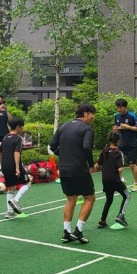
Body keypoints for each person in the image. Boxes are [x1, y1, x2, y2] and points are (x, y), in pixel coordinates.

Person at [50, 103, 98, 244]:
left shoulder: (63, 126)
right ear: (85, 114)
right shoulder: (87, 129)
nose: (93, 117)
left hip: (63, 168)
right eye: (92, 114)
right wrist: (91, 164)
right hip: (79, 168)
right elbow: (87, 147)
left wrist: (64, 156)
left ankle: (67, 232)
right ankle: (78, 230)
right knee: (90, 198)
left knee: (71, 199)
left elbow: (52, 147)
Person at [0, 118, 32, 219]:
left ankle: (10, 212)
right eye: (22, 127)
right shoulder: (17, 139)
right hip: (14, 165)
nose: (22, 129)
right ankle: (15, 200)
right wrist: (17, 168)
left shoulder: (5, 137)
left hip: (5, 166)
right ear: (18, 127)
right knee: (28, 182)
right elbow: (16, 153)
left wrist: (2, 165)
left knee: (11, 187)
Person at [95, 132, 130, 228]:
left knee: (108, 200)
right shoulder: (118, 152)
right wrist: (121, 179)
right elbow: (120, 169)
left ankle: (102, 221)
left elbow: (97, 165)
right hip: (115, 179)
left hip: (105, 180)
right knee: (127, 195)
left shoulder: (104, 151)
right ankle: (121, 216)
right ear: (119, 141)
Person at [114, 98, 137, 192]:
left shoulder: (132, 116)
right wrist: (116, 129)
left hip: (132, 144)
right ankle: (122, 180)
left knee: (132, 165)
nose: (118, 109)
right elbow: (117, 128)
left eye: (120, 107)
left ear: (125, 107)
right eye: (117, 107)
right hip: (120, 144)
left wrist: (128, 127)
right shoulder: (116, 116)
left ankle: (136, 183)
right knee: (118, 166)